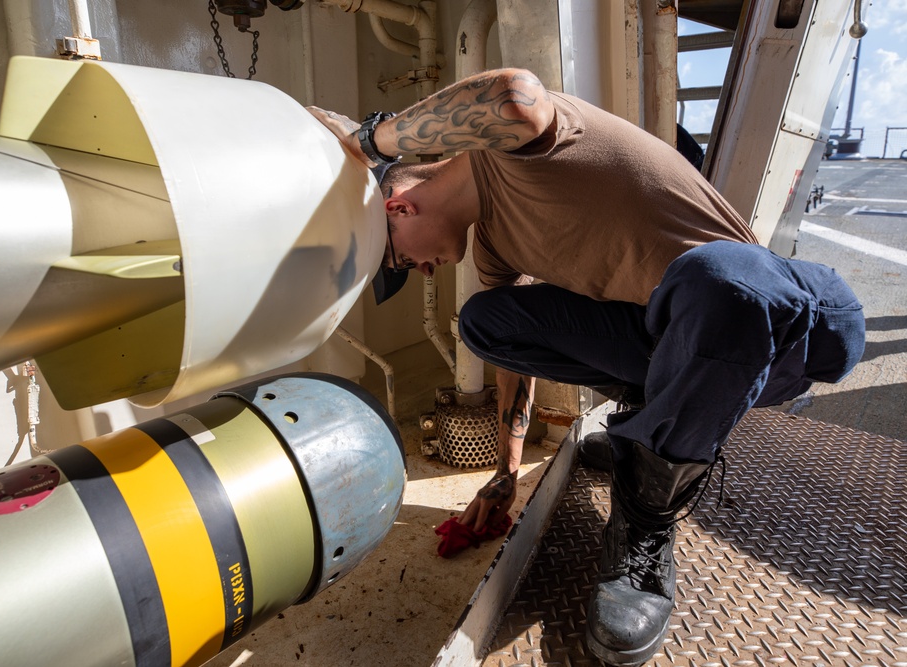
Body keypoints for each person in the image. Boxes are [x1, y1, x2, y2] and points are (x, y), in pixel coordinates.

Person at [307, 68, 865, 667]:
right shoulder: (493, 245)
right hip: (678, 343)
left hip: (789, 327)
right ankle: (648, 427)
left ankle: (646, 518)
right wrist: (505, 473)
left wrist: (367, 143)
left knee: (718, 279)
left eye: (399, 259)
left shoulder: (513, 151)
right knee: (483, 323)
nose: (420, 271)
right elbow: (512, 371)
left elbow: (512, 97)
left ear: (401, 206)